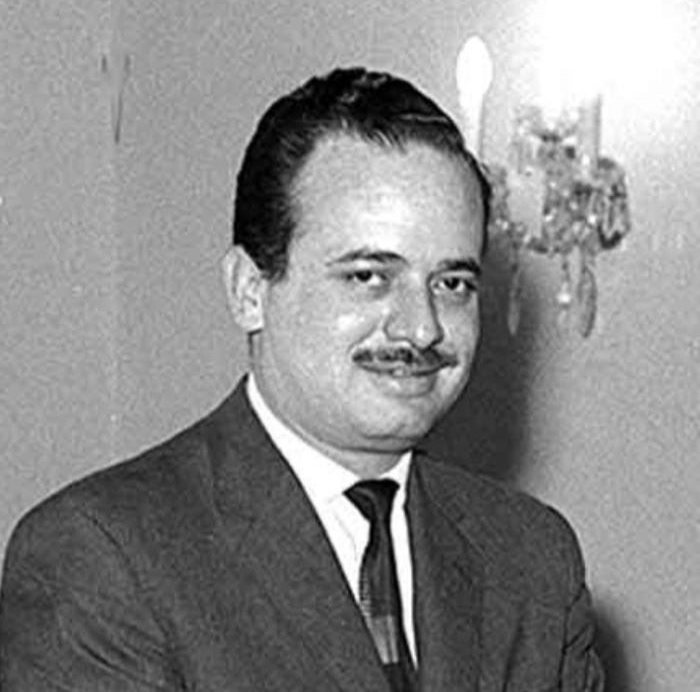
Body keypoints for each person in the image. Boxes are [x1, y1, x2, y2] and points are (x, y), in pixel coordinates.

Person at [0, 67, 604, 691]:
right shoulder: (105, 557)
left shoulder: (532, 559)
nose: (422, 328)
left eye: (452, 283)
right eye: (369, 276)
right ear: (249, 291)